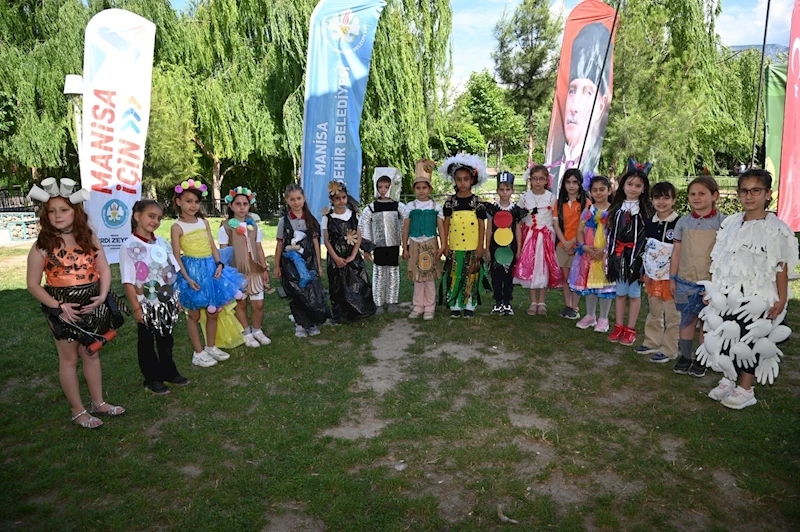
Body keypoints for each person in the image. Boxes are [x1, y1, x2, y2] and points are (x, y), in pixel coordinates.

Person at [26, 178, 125, 429]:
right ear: (45, 215)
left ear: (76, 212)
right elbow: (33, 284)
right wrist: (58, 308)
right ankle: (78, 410)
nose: (58, 215)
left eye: (64, 210)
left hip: (92, 302)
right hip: (63, 307)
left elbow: (103, 268)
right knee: (69, 358)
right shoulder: (42, 246)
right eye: (52, 211)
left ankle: (98, 403)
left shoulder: (89, 237)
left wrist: (102, 296)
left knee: (91, 353)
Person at [697, 169, 798, 409]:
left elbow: (780, 267)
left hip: (759, 295)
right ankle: (728, 377)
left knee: (750, 338)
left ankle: (746, 387)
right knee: (727, 334)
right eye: (744, 191)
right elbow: (720, 259)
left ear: (768, 194)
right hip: (730, 292)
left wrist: (781, 299)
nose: (749, 196)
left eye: (756, 191)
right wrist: (714, 291)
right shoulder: (731, 223)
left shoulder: (776, 228)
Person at [171, 179, 247, 368]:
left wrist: (219, 264)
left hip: (211, 269)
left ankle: (211, 346)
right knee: (194, 315)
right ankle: (198, 353)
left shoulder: (203, 222)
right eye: (188, 201)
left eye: (196, 202)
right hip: (192, 272)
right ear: (178, 201)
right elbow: (175, 256)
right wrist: (187, 278)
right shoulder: (176, 227)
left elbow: (213, 246)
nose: (193, 205)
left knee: (214, 311)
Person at [120, 200, 187, 396]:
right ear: (137, 216)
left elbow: (170, 272)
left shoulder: (162, 243)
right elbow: (128, 281)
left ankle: (169, 371)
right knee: (147, 342)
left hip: (165, 301)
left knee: (166, 339)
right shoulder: (129, 247)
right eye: (151, 216)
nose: (155, 221)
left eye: (159, 218)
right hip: (145, 304)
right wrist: (136, 308)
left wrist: (176, 299)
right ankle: (152, 378)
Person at [545, 22, 613, 190]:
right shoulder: (550, 169)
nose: (574, 107)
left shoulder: (598, 167)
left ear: (600, 106)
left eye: (587, 92)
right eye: (572, 91)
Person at [669, 176, 725, 378]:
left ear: (714, 196)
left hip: (710, 284)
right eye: (692, 194)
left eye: (702, 193)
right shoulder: (683, 222)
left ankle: (703, 357)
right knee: (687, 319)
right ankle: (685, 356)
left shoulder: (724, 223)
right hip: (685, 281)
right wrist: (672, 278)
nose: (696, 197)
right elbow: (676, 253)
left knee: (707, 322)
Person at [605, 162, 653, 346]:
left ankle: (630, 328)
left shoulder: (646, 211)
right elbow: (611, 234)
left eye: (638, 186)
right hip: (618, 256)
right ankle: (618, 326)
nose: (633, 189)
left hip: (635, 258)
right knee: (620, 292)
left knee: (634, 294)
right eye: (630, 184)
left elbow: (648, 238)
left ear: (643, 189)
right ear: (623, 185)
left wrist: (643, 262)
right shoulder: (616, 209)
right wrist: (607, 256)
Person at [274, 184, 331, 337]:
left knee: (310, 292)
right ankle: (300, 324)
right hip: (290, 265)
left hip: (309, 263)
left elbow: (316, 244)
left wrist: (319, 265)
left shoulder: (311, 220)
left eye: (299, 198)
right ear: (287, 201)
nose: (296, 202)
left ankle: (311, 323)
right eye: (292, 199)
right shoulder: (283, 221)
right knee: (296, 293)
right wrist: (277, 266)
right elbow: (280, 243)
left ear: (304, 199)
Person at [218, 187, 272, 348]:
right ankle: (246, 333)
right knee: (241, 303)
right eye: (238, 204)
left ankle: (257, 330)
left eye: (245, 204)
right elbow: (223, 251)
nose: (242, 207)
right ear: (231, 206)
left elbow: (259, 248)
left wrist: (264, 268)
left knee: (259, 304)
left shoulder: (254, 225)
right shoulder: (226, 227)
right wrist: (226, 273)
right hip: (237, 272)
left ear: (249, 206)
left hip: (254, 270)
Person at [636, 182, 680, 363]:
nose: (661, 202)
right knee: (654, 310)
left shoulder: (679, 223)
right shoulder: (649, 222)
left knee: (672, 314)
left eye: (666, 197)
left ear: (674, 200)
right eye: (657, 198)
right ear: (652, 200)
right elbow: (646, 249)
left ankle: (669, 349)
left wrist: (675, 276)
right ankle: (652, 342)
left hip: (671, 277)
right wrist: (644, 270)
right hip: (653, 277)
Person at [440, 154, 488, 318]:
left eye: (466, 179)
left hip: (472, 246)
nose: (462, 182)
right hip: (454, 246)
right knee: (455, 274)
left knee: (471, 275)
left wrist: (480, 246)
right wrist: (444, 244)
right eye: (459, 179)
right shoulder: (449, 202)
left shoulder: (478, 202)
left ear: (472, 180)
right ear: (454, 180)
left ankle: (469, 304)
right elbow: (446, 223)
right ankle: (454, 304)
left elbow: (482, 224)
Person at [323, 181, 376, 322]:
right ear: (331, 200)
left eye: (343, 197)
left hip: (352, 256)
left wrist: (353, 255)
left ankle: (359, 310)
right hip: (336, 258)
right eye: (337, 198)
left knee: (358, 283)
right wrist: (335, 257)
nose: (341, 201)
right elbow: (327, 241)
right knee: (338, 285)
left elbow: (358, 237)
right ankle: (341, 314)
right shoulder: (327, 218)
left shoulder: (353, 215)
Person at [569, 175, 616, 332]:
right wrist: (583, 246)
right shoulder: (588, 210)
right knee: (590, 284)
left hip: (605, 254)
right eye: (595, 190)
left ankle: (603, 318)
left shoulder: (614, 211)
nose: (598, 193)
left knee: (604, 286)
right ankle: (590, 315)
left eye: (602, 189)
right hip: (588, 254)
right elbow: (580, 230)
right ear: (590, 192)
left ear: (609, 190)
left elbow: (616, 234)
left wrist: (604, 250)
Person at [514, 164, 562, 316]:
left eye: (541, 179)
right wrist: (520, 244)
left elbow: (554, 219)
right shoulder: (524, 197)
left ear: (547, 180)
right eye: (535, 178)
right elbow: (519, 220)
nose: (538, 182)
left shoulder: (551, 198)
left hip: (546, 237)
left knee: (544, 268)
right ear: (531, 179)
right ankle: (533, 301)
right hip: (529, 237)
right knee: (531, 268)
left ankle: (542, 301)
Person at [402, 159, 445, 320]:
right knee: (417, 277)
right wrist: (404, 247)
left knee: (428, 276)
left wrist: (442, 245)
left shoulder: (435, 207)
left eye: (424, 187)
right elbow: (406, 227)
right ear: (414, 189)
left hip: (430, 243)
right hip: (415, 243)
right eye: (418, 188)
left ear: (430, 188)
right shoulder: (410, 207)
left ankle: (429, 306)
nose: (421, 191)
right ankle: (418, 305)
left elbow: (440, 228)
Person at [360, 171, 404, 314]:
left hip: (393, 245)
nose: (383, 190)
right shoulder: (372, 208)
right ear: (376, 188)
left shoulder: (398, 207)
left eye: (386, 187)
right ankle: (378, 302)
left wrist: (405, 243)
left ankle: (392, 301)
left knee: (393, 272)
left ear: (391, 187)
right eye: (380, 187)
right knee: (379, 272)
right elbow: (364, 225)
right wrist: (367, 247)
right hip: (378, 246)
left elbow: (405, 223)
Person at [485, 171, 527, 316]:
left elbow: (518, 231)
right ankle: (498, 301)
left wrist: (519, 248)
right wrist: (487, 249)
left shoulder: (515, 211)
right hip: (495, 248)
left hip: (511, 248)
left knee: (508, 276)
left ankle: (507, 302)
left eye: (507, 189)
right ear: (497, 191)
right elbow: (489, 229)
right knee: (496, 275)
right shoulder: (492, 209)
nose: (504, 192)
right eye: (501, 189)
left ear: (512, 191)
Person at [553, 168, 590, 319]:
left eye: (575, 182)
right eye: (568, 182)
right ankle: (568, 305)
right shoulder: (558, 203)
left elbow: (585, 226)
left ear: (580, 184)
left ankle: (575, 306)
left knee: (576, 277)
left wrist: (573, 242)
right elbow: (556, 225)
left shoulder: (585, 203)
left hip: (579, 246)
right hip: (562, 246)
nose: (571, 185)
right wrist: (564, 243)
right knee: (566, 277)